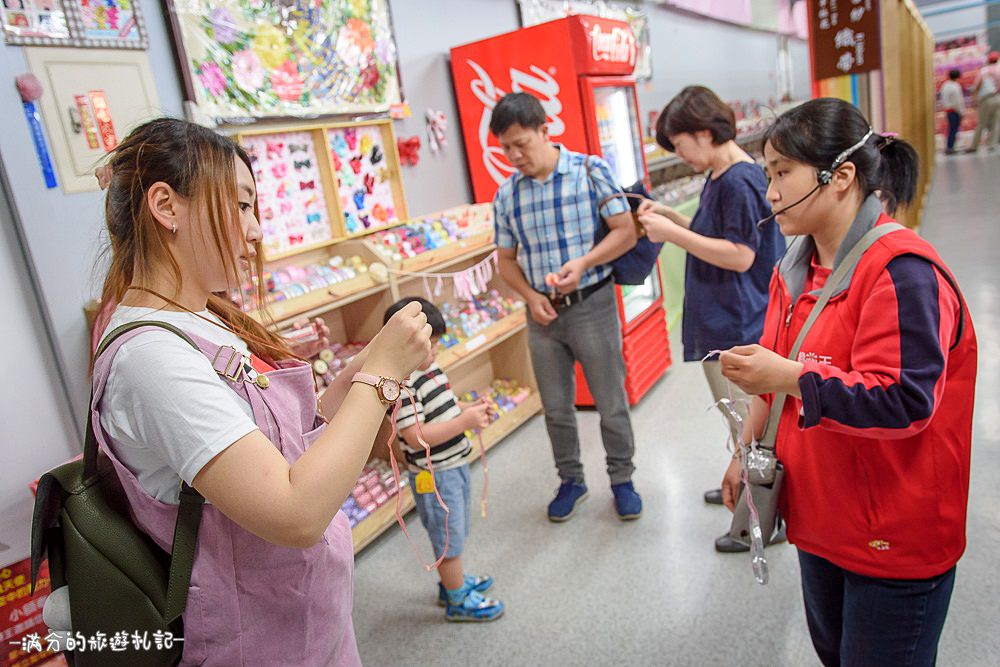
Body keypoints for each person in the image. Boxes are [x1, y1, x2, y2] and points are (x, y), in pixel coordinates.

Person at [91, 118, 432, 665]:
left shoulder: (203, 318)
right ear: (166, 206)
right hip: (256, 642)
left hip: (306, 619)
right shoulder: (151, 360)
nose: (255, 231)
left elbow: (285, 447)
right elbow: (294, 512)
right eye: (242, 205)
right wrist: (382, 376)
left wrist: (363, 370)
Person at [719, 98, 977, 666]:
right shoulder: (794, 268)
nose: (771, 193)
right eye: (768, 175)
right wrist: (746, 449)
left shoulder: (902, 272)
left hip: (894, 533)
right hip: (822, 518)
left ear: (840, 177)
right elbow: (774, 375)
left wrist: (790, 377)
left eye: (783, 173)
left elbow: (904, 401)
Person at [636, 86, 785, 553]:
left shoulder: (739, 182)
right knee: (735, 417)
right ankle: (739, 483)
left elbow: (740, 255)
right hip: (724, 316)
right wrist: (672, 219)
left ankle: (760, 518)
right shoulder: (721, 176)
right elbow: (718, 237)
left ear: (703, 133)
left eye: (680, 144)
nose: (679, 154)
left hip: (738, 319)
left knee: (748, 422)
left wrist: (672, 234)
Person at [489, 92, 642, 522]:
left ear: (544, 130)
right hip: (541, 315)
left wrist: (585, 263)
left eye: (522, 144)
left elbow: (625, 231)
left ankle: (622, 480)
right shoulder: (507, 195)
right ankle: (571, 480)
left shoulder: (590, 171)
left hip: (592, 303)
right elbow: (506, 260)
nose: (515, 156)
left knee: (610, 401)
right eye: (506, 148)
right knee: (556, 408)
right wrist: (531, 296)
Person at [383, 297, 505, 622]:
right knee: (447, 535)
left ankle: (452, 584)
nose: (434, 351)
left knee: (455, 527)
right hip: (435, 475)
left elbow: (447, 407)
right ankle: (457, 599)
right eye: (429, 344)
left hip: (454, 464)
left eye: (436, 343)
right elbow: (415, 436)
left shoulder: (431, 369)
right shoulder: (401, 386)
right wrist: (464, 423)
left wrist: (468, 410)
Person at [967, 51, 1000, 152]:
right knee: (996, 122)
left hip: (986, 99)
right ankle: (992, 145)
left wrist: (974, 100)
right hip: (997, 98)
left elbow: (976, 86)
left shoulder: (984, 71)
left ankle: (974, 146)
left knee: (981, 123)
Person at [940, 69, 965, 155]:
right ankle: (950, 148)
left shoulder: (945, 85)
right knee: (953, 130)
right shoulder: (956, 86)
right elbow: (958, 101)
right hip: (955, 111)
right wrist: (962, 112)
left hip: (948, 111)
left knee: (951, 129)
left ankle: (949, 147)